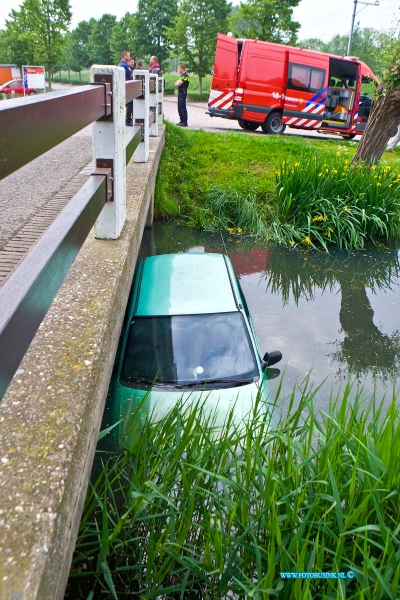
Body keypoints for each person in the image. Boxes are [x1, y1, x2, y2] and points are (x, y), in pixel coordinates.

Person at [118, 50, 133, 126]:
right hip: (127, 87)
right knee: (130, 103)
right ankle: (128, 119)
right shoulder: (125, 66)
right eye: (128, 55)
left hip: (122, 87)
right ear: (124, 56)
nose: (129, 57)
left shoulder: (119, 65)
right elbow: (132, 75)